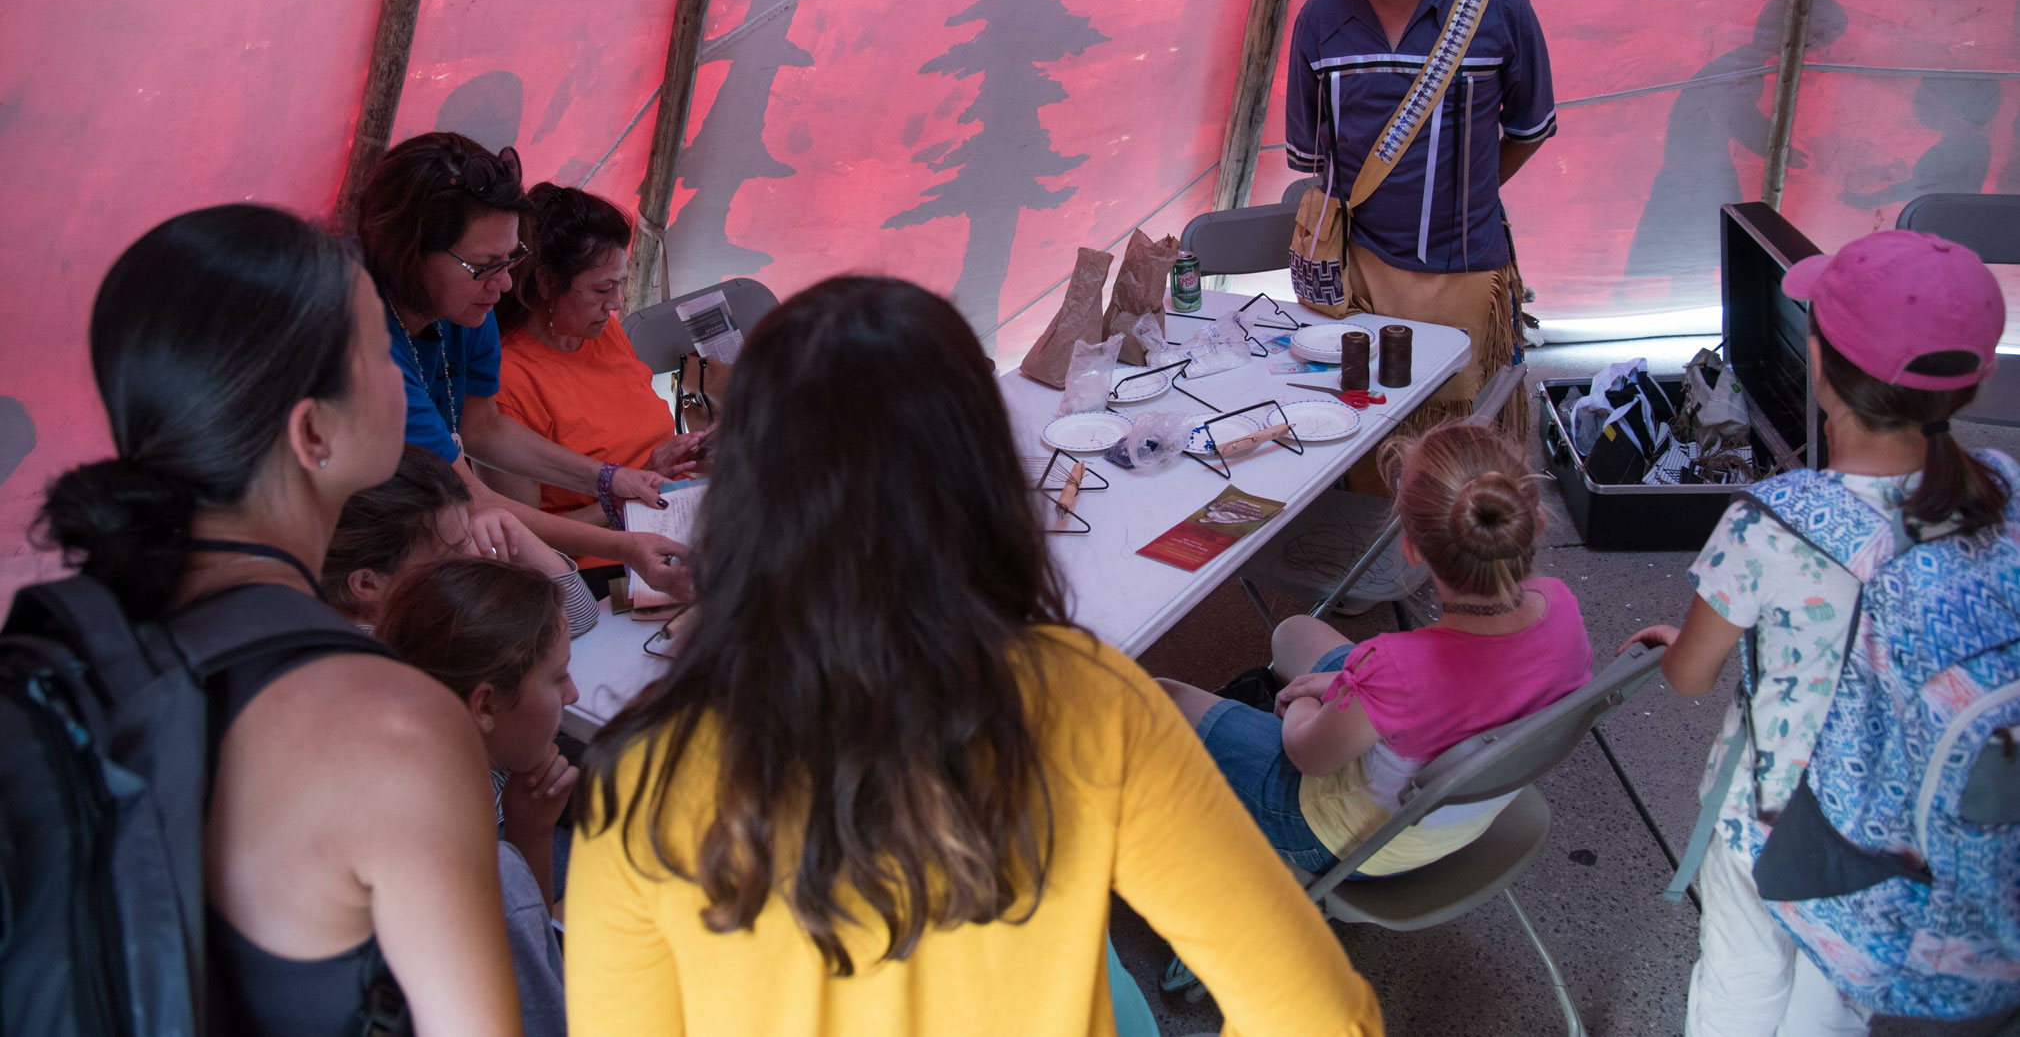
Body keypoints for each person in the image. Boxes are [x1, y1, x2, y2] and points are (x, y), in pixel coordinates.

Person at [565, 276, 1380, 1036]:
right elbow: (1317, 1015)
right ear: (985, 477)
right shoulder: (1089, 701)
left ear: (739, 501)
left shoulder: (639, 780)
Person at [38, 205, 520, 1035]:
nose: (398, 376)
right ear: (312, 432)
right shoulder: (394, 727)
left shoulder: (59, 642)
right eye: (379, 351)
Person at [1623, 230, 2012, 1037]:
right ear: (1970, 383)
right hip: (1910, 829)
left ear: (1823, 370)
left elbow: (1691, 675)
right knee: (1833, 1000)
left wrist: (1696, 637)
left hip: (1774, 818)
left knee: (1743, 980)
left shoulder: (1772, 521)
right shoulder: (2003, 489)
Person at [1161, 421, 1591, 876]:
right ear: (1535, 522)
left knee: (1158, 696)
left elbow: (1308, 756)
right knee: (1294, 633)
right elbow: (1455, 685)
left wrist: (1305, 703)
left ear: (1411, 550)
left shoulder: (1396, 667)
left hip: (1351, 840)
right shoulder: (1560, 603)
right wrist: (1346, 685)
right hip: (1459, 804)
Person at [1286, 0, 1556, 450]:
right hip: (1359, 277)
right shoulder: (1320, 16)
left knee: (1461, 438)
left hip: (1466, 269)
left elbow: (1530, 128)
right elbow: (1311, 160)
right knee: (1363, 424)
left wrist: (1471, 197)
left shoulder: (1499, 4)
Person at [351, 131, 691, 596]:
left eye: (511, 260)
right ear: (408, 253)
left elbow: (483, 428)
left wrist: (608, 479)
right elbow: (469, 497)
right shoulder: (365, 349)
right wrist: (628, 544)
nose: (506, 286)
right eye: (484, 265)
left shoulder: (469, 312)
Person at [379, 558, 582, 1037]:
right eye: (558, 678)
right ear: (486, 704)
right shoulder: (480, 879)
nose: (572, 695)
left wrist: (529, 833)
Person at [492, 184, 708, 526]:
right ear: (546, 283)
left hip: (676, 515)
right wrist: (633, 488)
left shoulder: (603, 332)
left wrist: (693, 453)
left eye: (620, 284)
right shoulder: (508, 380)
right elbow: (522, 538)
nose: (617, 303)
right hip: (608, 560)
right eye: (602, 289)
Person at [321, 442, 598, 637]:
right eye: (451, 550)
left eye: (467, 534)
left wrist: (511, 525)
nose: (475, 551)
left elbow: (579, 618)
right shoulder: (398, 650)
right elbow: (569, 625)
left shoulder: (419, 600)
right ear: (368, 583)